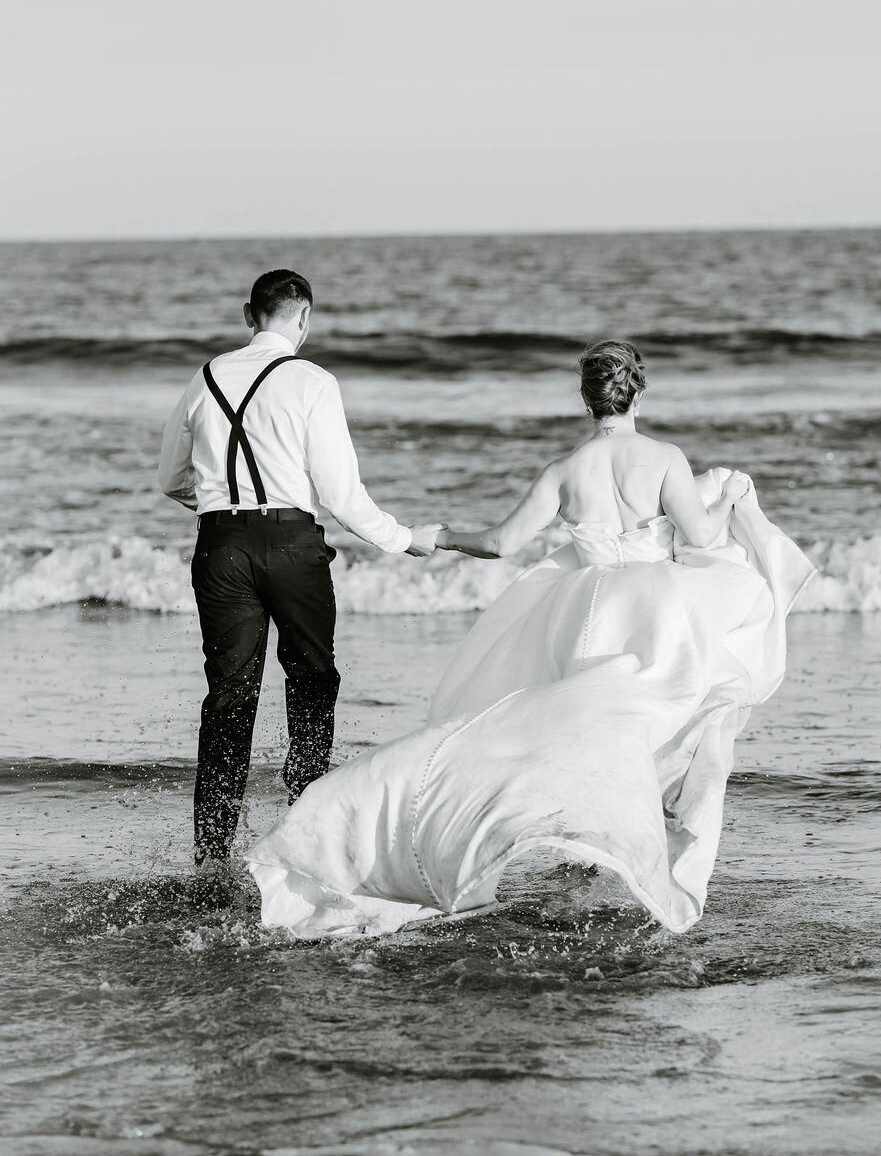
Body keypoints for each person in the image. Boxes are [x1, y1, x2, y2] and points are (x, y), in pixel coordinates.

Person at [247, 339, 815, 938]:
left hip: (586, 615)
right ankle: (643, 853)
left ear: (586, 400)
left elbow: (501, 543)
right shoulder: (666, 458)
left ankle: (582, 847)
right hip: (655, 611)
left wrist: (440, 536)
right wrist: (728, 496)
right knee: (661, 725)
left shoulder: (564, 473)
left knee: (586, 734)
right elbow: (699, 538)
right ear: (638, 393)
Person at [159, 269, 438, 867]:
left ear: (247, 314)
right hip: (291, 546)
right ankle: (307, 828)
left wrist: (221, 509)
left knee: (229, 697)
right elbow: (341, 494)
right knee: (312, 680)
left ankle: (212, 857)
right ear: (304, 318)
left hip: (220, 546)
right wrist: (404, 539)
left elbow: (169, 480)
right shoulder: (313, 381)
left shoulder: (204, 377)